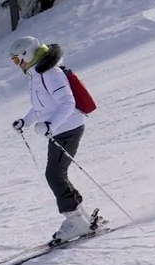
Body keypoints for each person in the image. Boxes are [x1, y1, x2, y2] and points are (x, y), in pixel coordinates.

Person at [9, 35, 100, 244]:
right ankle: (83, 218)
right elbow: (41, 106)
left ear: (27, 54)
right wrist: (25, 121)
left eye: (17, 60)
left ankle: (76, 221)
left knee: (54, 175)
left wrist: (50, 125)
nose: (17, 65)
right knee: (57, 174)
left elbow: (67, 103)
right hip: (60, 130)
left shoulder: (51, 74)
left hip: (68, 129)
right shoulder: (37, 74)